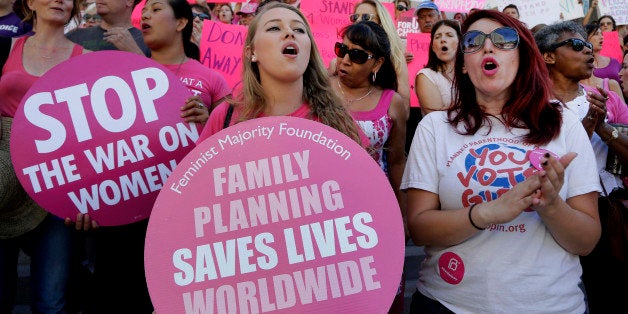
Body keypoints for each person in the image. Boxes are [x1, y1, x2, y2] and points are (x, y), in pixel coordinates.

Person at [402, 10, 601, 313]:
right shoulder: (435, 127)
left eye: (504, 39)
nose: (488, 47)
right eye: (473, 41)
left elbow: (586, 241)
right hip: (449, 304)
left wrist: (551, 206)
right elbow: (419, 227)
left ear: (521, 57)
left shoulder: (564, 123)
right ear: (465, 65)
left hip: (553, 305)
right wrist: (486, 213)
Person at [535, 20, 628, 313]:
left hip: (607, 211)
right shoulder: (532, 107)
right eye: (577, 45)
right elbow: (541, 161)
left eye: (589, 46)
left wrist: (604, 128)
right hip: (555, 215)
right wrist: (585, 127)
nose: (589, 52)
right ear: (548, 56)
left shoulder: (607, 97)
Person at [0, 0, 88, 312]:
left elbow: (96, 137)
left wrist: (90, 199)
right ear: (31, 3)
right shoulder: (4, 47)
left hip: (58, 192)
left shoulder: (88, 61)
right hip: (4, 187)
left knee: (51, 303)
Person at [197, 1, 363, 148]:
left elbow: (367, 179)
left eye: (299, 29)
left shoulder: (337, 118)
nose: (290, 33)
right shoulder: (225, 116)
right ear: (252, 52)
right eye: (274, 28)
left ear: (309, 48)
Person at [331, 20, 407, 314]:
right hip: (326, 214)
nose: (345, 59)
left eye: (358, 55)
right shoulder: (317, 92)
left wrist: (403, 216)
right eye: (342, 49)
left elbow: (397, 161)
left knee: (376, 291)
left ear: (378, 63)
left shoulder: (393, 102)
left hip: (374, 214)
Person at [141, 0, 231, 117]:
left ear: (180, 23)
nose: (145, 16)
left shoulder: (213, 79)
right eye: (144, 11)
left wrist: (209, 124)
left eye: (156, 9)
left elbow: (231, 132)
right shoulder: (129, 75)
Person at [66, 0, 149, 55]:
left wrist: (134, 52)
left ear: (129, 1)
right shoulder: (74, 37)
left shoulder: (149, 41)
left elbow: (157, 77)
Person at [415, 19, 461, 116]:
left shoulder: (471, 73)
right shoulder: (426, 76)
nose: (443, 39)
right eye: (437, 37)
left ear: (460, 42)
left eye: (449, 35)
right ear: (432, 47)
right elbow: (437, 118)